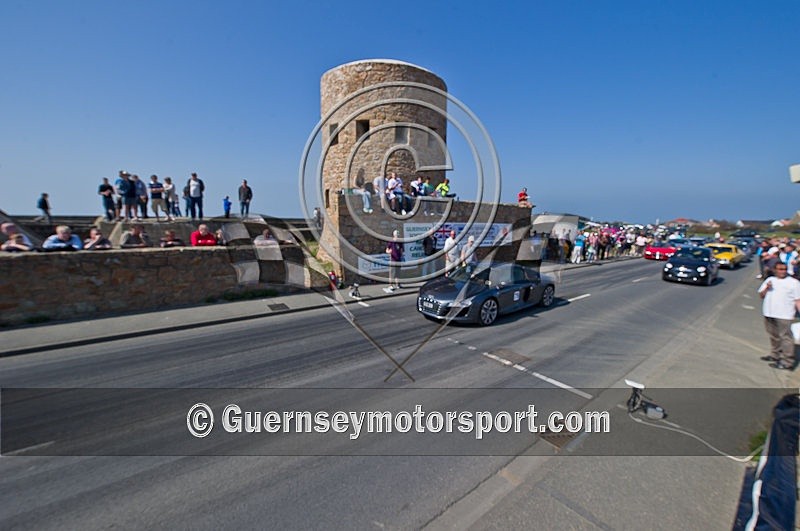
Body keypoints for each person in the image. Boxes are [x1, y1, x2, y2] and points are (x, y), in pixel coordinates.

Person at [758, 262, 800, 370]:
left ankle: (788, 361)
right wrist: (767, 288)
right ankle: (775, 355)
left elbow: (797, 300)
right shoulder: (770, 280)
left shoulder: (794, 283)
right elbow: (761, 295)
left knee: (786, 337)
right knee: (773, 336)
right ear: (775, 270)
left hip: (784, 314)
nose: (783, 271)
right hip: (769, 312)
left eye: (784, 269)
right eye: (780, 269)